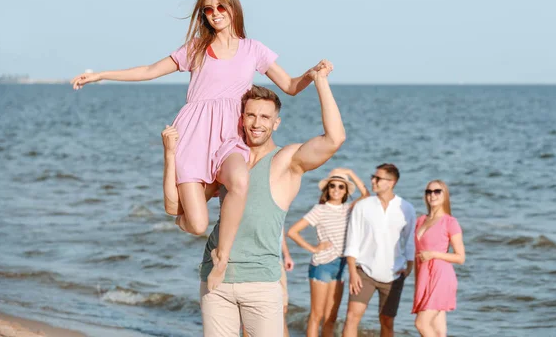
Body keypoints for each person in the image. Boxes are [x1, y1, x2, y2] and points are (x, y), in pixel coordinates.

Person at [71, 0, 329, 291]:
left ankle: (222, 256)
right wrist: (101, 75)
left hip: (230, 135)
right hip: (193, 134)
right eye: (208, 9)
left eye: (221, 7)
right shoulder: (195, 48)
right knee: (196, 224)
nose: (215, 14)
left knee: (239, 181)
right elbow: (150, 70)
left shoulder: (253, 49)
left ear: (233, 9)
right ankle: (177, 205)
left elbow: (288, 84)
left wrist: (313, 74)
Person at [162, 70, 345, 336]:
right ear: (241, 118)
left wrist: (321, 82)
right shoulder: (226, 162)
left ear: (276, 123)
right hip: (216, 278)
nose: (256, 123)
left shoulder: (288, 160)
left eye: (264, 117)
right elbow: (175, 208)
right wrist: (170, 156)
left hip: (261, 280)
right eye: (250, 115)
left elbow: (334, 139)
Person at [287, 169, 368, 337]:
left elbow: (366, 194)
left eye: (341, 186)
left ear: (346, 191)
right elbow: (293, 231)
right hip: (322, 265)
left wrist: (350, 173)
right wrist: (313, 248)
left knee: (331, 317)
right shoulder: (320, 209)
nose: (336, 189)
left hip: (341, 266)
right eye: (333, 186)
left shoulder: (348, 209)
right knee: (317, 315)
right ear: (327, 189)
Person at [342, 164, 416, 337]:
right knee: (352, 317)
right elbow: (352, 240)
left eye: (378, 178)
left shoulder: (406, 208)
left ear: (391, 182)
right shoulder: (363, 206)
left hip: (394, 274)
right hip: (364, 272)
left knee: (387, 321)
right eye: (373, 177)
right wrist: (352, 271)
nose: (372, 181)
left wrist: (410, 268)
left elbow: (411, 241)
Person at [412, 180, 465, 337]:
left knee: (421, 324)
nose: (432, 195)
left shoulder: (450, 222)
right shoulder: (420, 220)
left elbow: (460, 257)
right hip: (424, 277)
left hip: (441, 277)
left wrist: (434, 254)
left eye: (437, 191)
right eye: (428, 192)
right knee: (439, 332)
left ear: (445, 195)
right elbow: (417, 255)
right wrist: (417, 284)